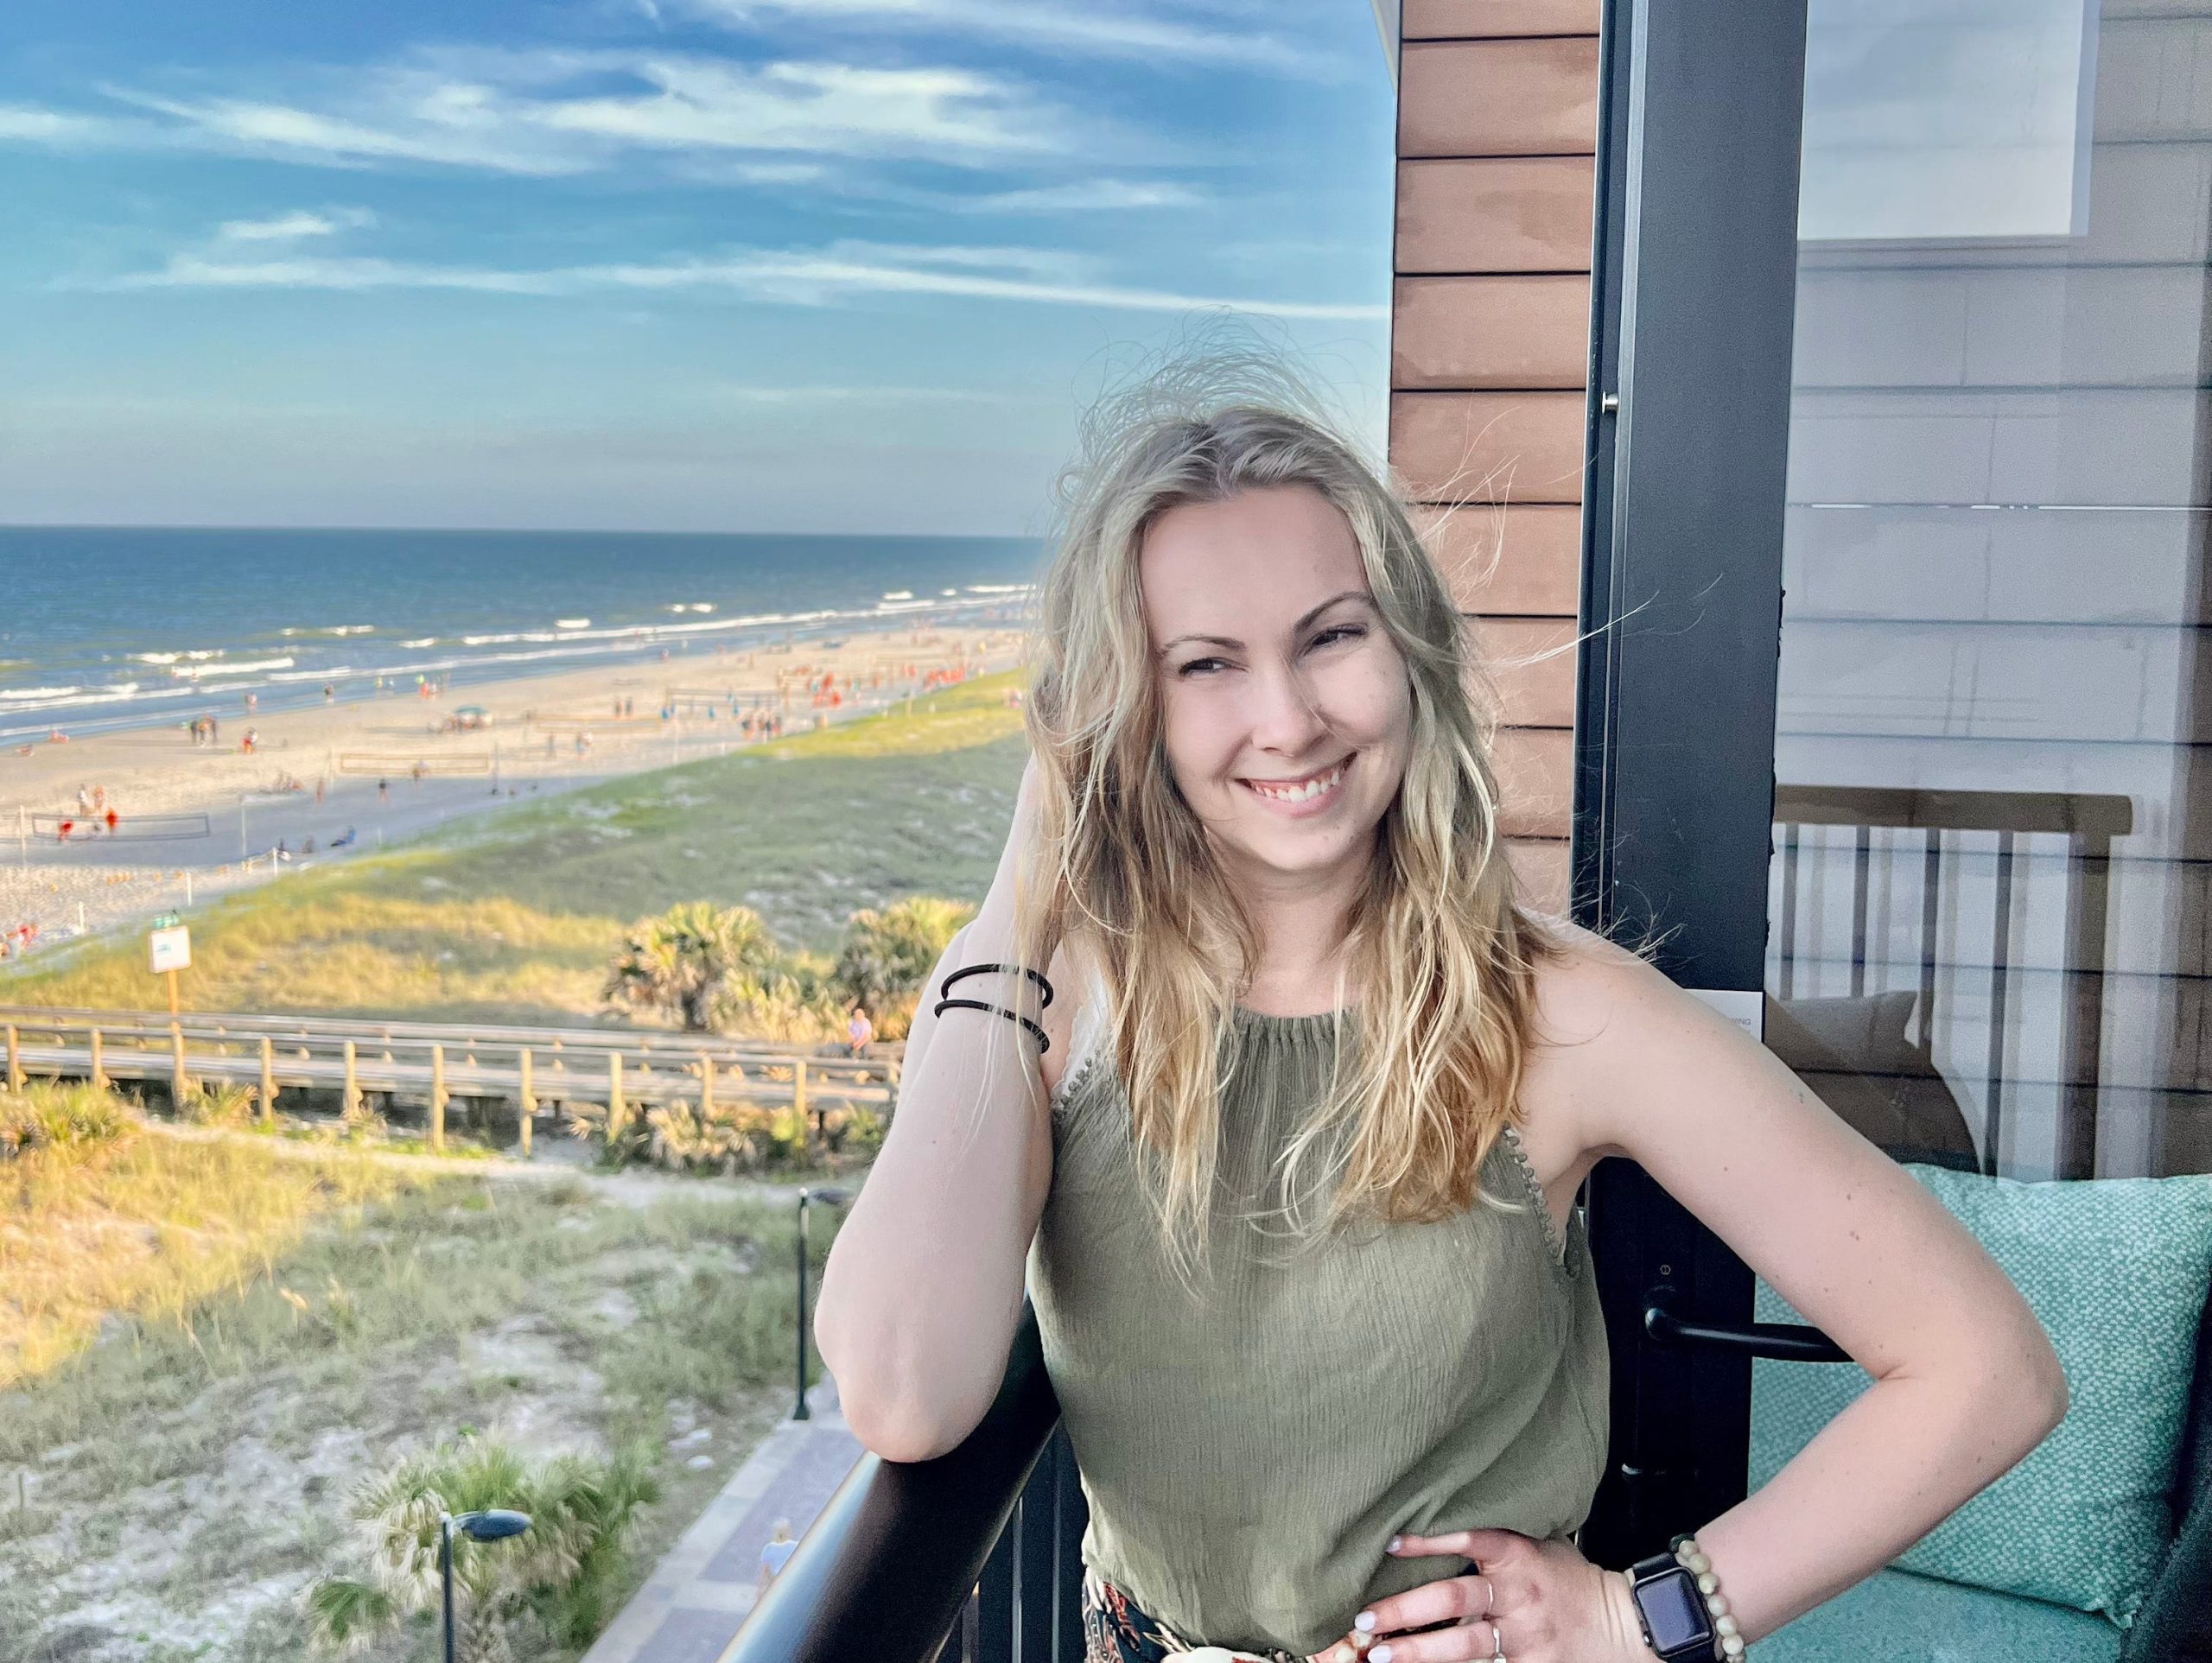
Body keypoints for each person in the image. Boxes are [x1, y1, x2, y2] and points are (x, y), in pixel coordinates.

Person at [813, 380, 2068, 1663]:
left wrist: (1642, 1617)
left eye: (1330, 637)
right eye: (1206, 663)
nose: (1289, 718)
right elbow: (904, 1395)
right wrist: (1026, 898)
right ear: (1121, 706)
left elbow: (1985, 1366)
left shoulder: (1555, 1012)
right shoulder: (1041, 996)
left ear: (1406, 645)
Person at [757, 1520, 798, 1594]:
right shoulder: (769, 1548)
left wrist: (761, 1588)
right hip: (778, 1584)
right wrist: (761, 1588)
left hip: (789, 1582)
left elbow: (765, 1570)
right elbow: (765, 1570)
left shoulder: (795, 1546)